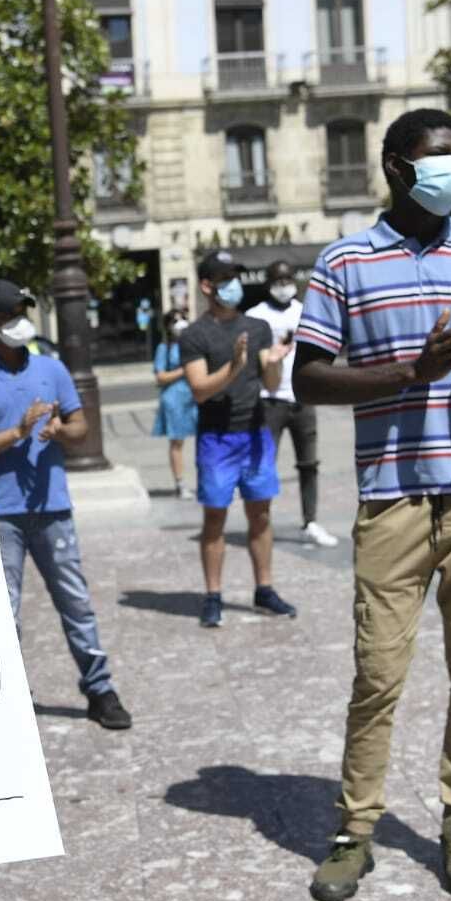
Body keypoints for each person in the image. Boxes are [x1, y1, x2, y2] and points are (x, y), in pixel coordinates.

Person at [293, 107, 451, 901]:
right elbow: (308, 378)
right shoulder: (344, 262)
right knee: (377, 673)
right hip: (392, 496)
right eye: (440, 158)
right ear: (396, 167)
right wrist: (411, 371)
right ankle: (354, 830)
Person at [0, 279, 133, 730]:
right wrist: (16, 433)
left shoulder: (53, 370)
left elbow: (80, 427)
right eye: (9, 316)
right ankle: (8, 696)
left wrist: (59, 431)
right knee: (3, 610)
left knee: (75, 601)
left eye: (22, 313)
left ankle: (100, 688)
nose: (19, 323)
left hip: (52, 508)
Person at [181, 251, 296, 629]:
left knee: (260, 514)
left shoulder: (257, 327)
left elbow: (271, 384)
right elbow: (200, 390)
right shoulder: (194, 335)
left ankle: (264, 589)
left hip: (255, 433)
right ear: (207, 286)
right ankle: (213, 596)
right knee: (215, 516)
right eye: (225, 278)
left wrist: (275, 362)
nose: (233, 284)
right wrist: (233, 367)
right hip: (217, 439)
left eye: (236, 276)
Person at [247, 261, 339, 548]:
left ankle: (310, 521)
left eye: (288, 279)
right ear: (268, 283)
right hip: (269, 401)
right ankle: (261, 522)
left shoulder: (305, 312)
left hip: (303, 399)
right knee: (265, 464)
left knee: (309, 463)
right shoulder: (255, 316)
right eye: (278, 280)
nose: (284, 285)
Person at [151, 308, 198, 499]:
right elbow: (160, 376)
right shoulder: (165, 348)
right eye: (175, 321)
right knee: (177, 442)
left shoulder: (196, 343)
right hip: (175, 398)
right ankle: (180, 484)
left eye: (183, 319)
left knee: (205, 438)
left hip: (196, 395)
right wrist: (184, 370)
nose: (180, 324)